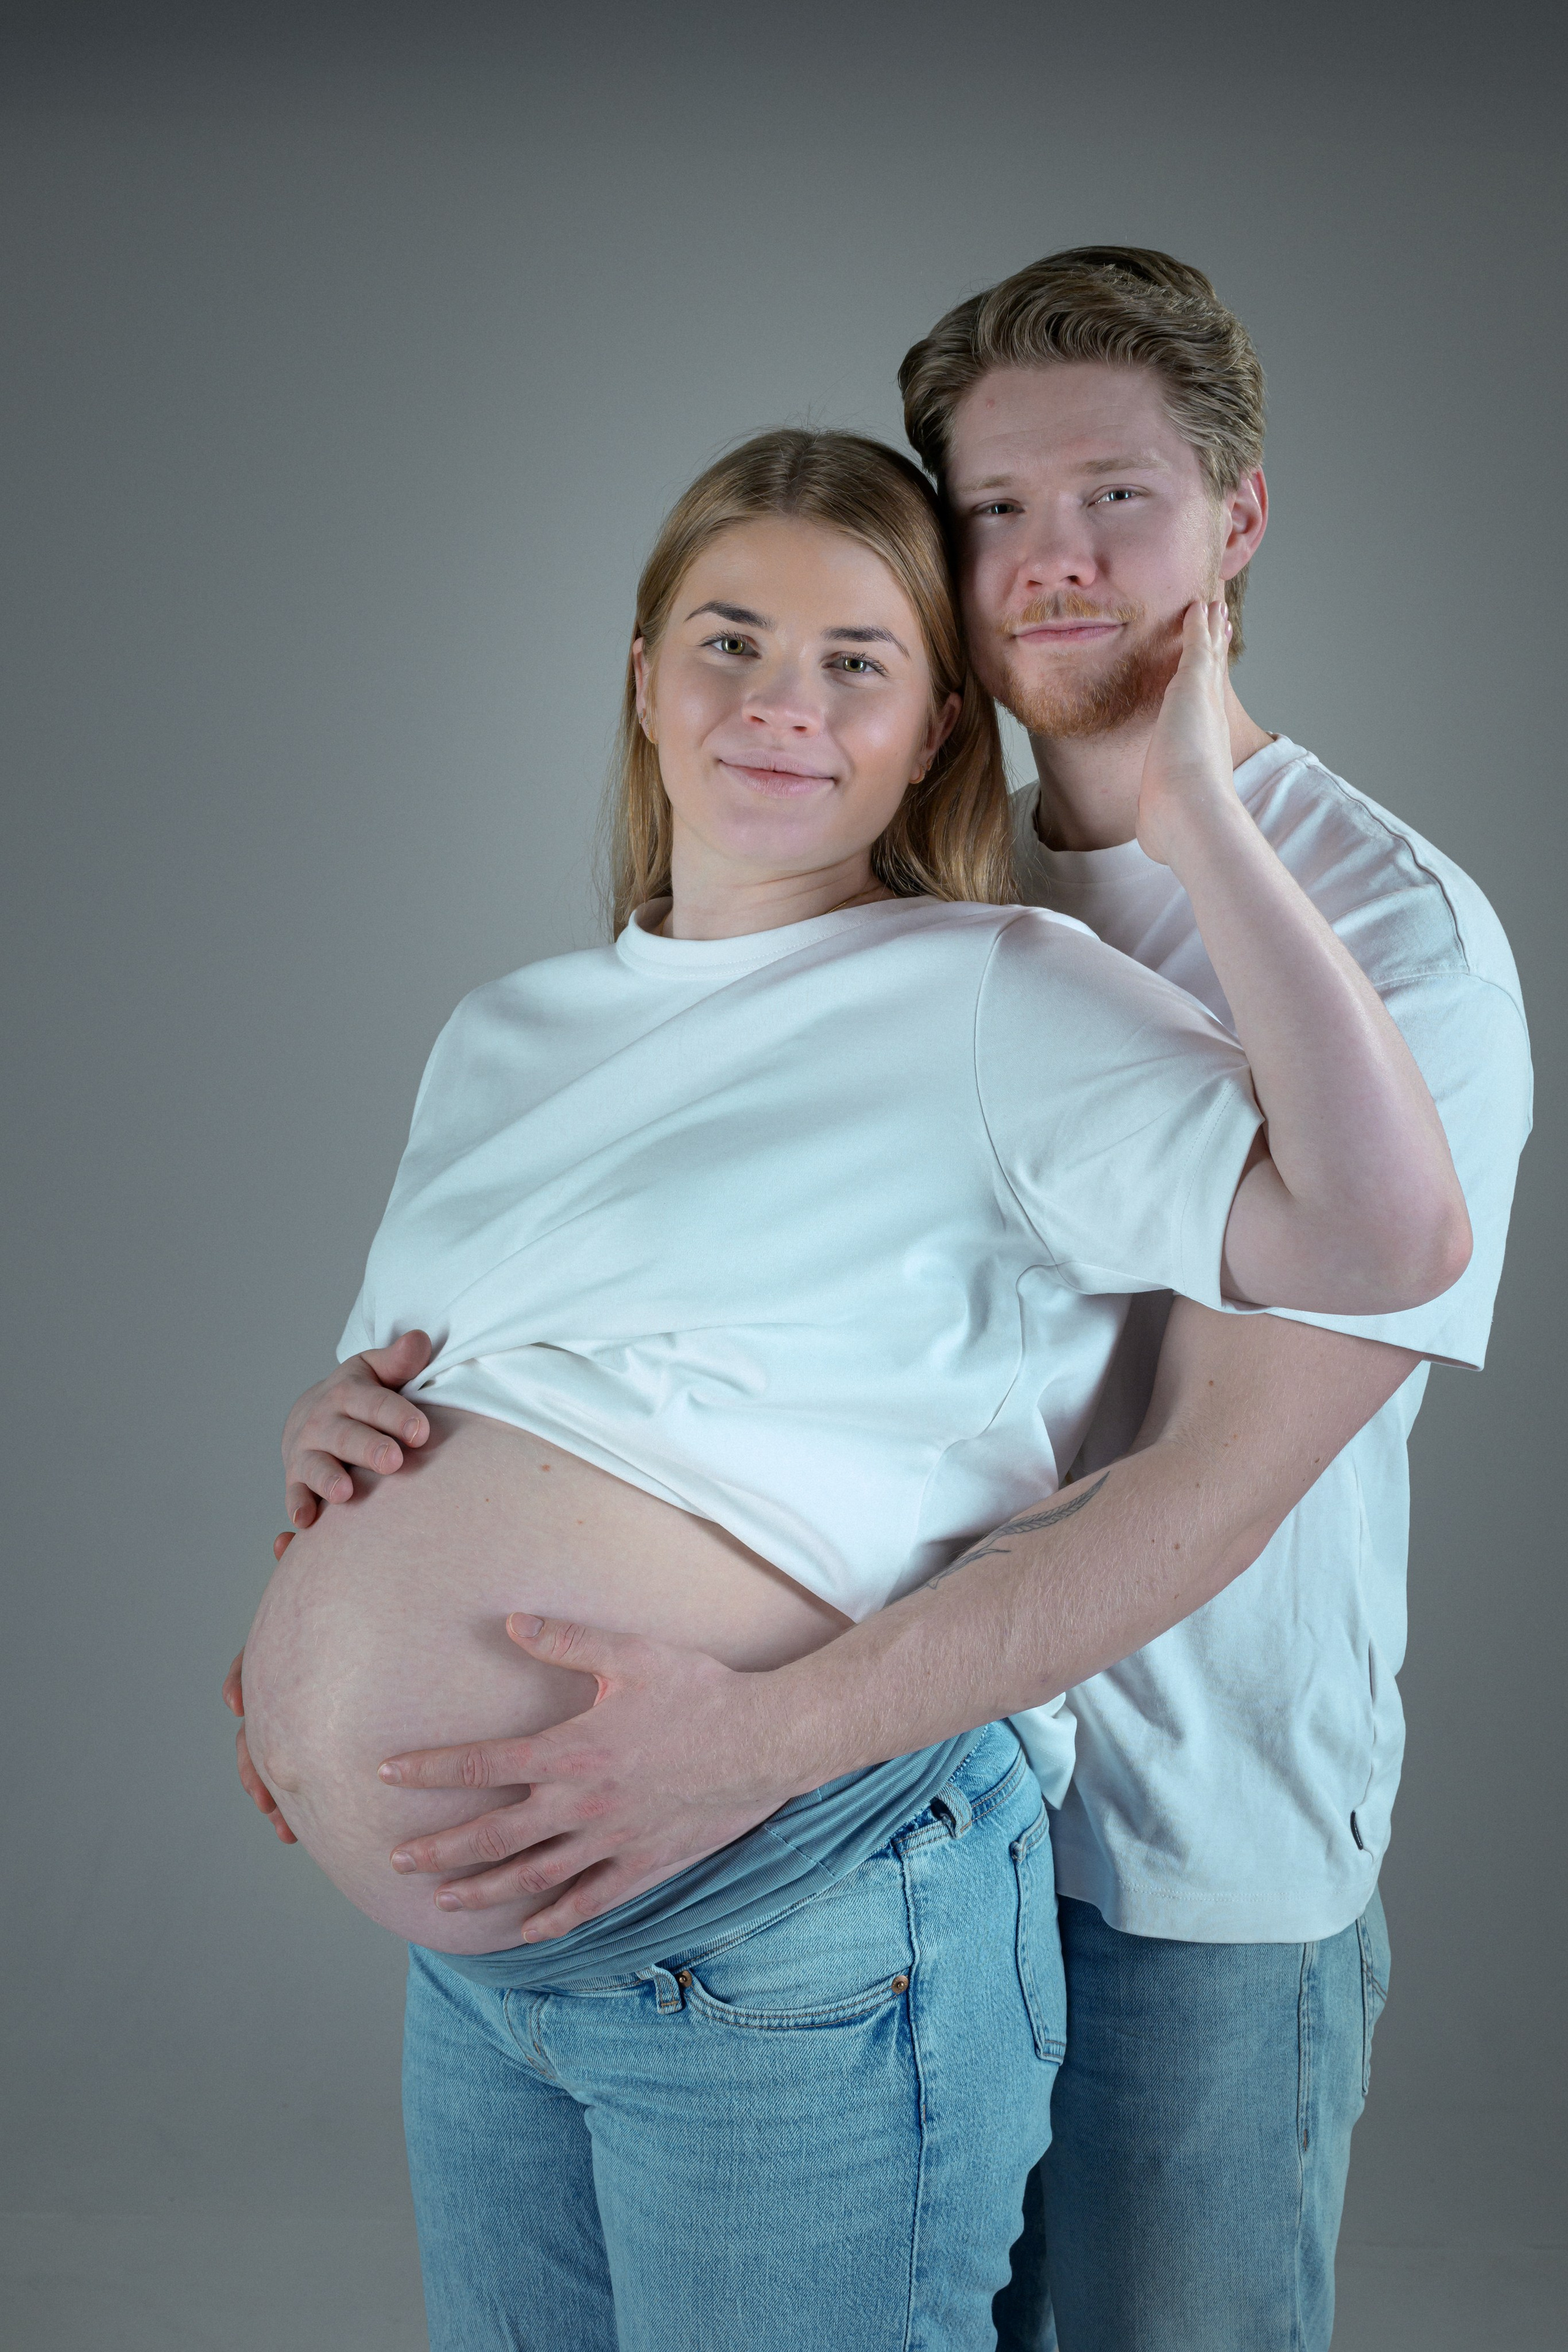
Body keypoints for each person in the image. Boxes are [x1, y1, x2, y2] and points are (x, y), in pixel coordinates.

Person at [228, 420, 1469, 2351]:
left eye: (855, 664)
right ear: (641, 680)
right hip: (489, 1977)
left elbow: (1389, 1238)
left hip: (785, 1909)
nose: (777, 706)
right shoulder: (507, 1033)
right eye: (726, 642)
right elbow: (518, 1383)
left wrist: (1202, 795)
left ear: (935, 738)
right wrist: (329, 1491)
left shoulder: (998, 991)